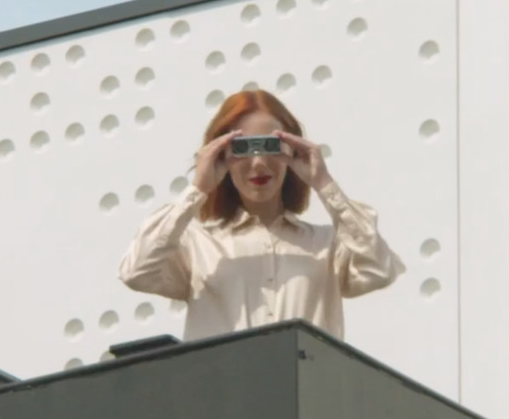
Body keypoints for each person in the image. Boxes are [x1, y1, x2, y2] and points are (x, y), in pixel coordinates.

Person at [118, 89, 405, 341]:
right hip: (224, 396)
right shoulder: (197, 244)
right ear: (220, 154)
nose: (258, 163)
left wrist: (323, 183)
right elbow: (136, 271)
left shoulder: (326, 245)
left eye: (270, 146)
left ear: (291, 150)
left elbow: (379, 268)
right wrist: (199, 188)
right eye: (241, 149)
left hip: (305, 395)